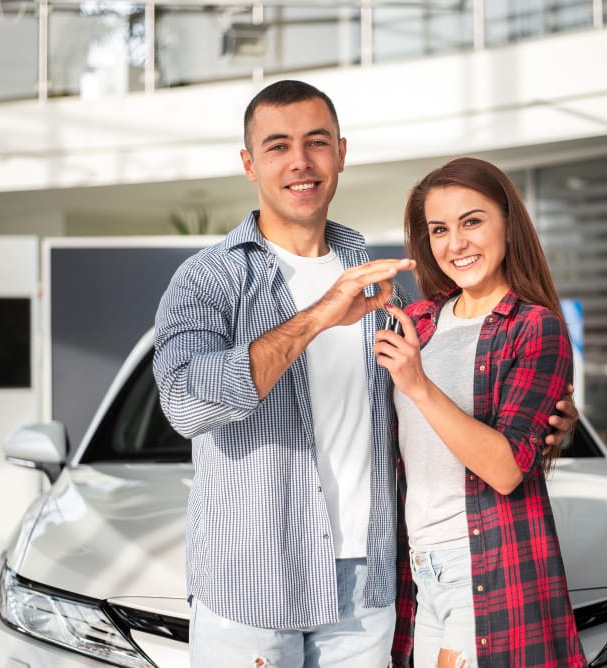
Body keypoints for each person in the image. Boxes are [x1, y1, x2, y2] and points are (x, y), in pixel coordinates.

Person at [153, 80, 579, 667]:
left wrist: (552, 422)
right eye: (277, 146)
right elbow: (185, 405)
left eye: (317, 142)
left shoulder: (385, 283)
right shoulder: (208, 280)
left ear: (341, 153)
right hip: (250, 583)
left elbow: (450, 395)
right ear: (249, 163)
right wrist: (319, 316)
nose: (300, 162)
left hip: (374, 585)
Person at [376, 157, 586, 667]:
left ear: (508, 225)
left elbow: (506, 469)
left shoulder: (534, 329)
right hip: (418, 568)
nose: (456, 243)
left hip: (482, 564)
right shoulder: (418, 322)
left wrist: (419, 385)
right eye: (439, 229)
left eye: (472, 221)